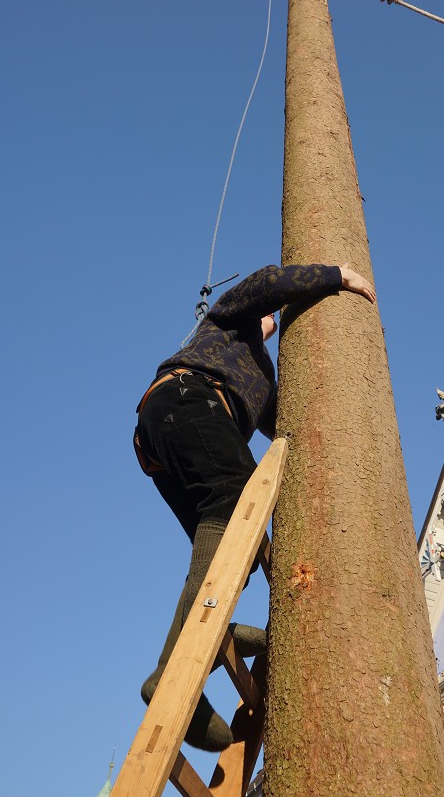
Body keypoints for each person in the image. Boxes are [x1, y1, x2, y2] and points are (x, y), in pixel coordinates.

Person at [134, 262, 376, 751]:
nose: (272, 319)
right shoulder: (230, 322)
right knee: (236, 500)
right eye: (273, 315)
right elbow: (265, 282)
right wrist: (336, 276)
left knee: (228, 552)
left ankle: (192, 655)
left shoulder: (260, 374)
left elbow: (281, 422)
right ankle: (187, 663)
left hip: (164, 434)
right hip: (187, 396)